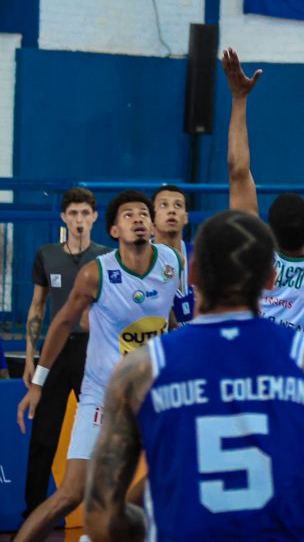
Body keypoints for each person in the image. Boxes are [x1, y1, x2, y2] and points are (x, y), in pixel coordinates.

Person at [84, 209, 304, 542]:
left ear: (193, 272)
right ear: (271, 279)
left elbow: (102, 520)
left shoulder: (141, 369)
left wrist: (146, 527)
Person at [13, 190, 180, 542]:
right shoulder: (96, 273)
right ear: (114, 231)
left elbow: (167, 318)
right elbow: (62, 323)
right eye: (128, 215)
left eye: (143, 213)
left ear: (151, 226)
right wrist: (38, 382)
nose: (138, 219)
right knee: (71, 493)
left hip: (150, 395)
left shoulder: (170, 262)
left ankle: (105, 530)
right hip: (103, 395)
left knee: (172, 471)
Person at [221, 48, 304, 366]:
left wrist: (239, 99)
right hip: (300, 385)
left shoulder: (255, 255)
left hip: (254, 376)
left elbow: (237, 171)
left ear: (267, 230)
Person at [23, 187, 112, 515]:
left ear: (95, 217)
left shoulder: (107, 257)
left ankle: (104, 509)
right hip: (56, 350)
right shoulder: (47, 254)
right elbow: (37, 307)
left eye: (85, 213)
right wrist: (30, 357)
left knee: (103, 432)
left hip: (95, 350)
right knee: (43, 434)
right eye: (73, 213)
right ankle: (32, 512)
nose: (79, 220)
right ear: (63, 217)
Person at [152, 184, 195, 324]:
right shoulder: (139, 259)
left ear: (186, 217)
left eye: (178, 205)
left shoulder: (201, 256)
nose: (171, 210)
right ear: (152, 217)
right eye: (163, 205)